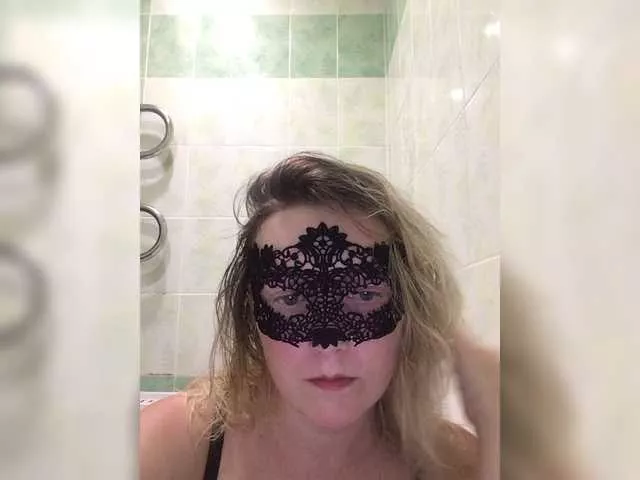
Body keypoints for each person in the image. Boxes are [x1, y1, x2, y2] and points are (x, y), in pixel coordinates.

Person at [139, 152, 499, 480]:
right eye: (291, 297)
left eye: (363, 294)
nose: (328, 344)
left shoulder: (457, 464)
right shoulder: (170, 446)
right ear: (251, 318)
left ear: (412, 311)